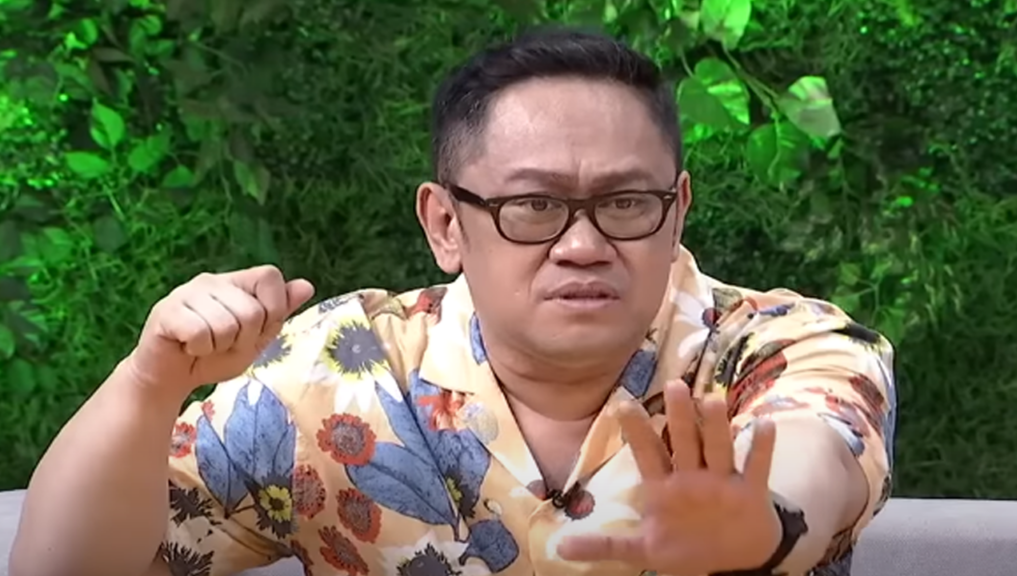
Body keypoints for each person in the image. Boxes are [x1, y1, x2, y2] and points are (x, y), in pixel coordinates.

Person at [10, 27, 896, 576]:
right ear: (444, 223)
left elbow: (818, 450)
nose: (583, 244)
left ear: (679, 208)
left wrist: (762, 529)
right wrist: (149, 383)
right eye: (534, 206)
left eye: (627, 202)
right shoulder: (334, 373)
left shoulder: (782, 346)